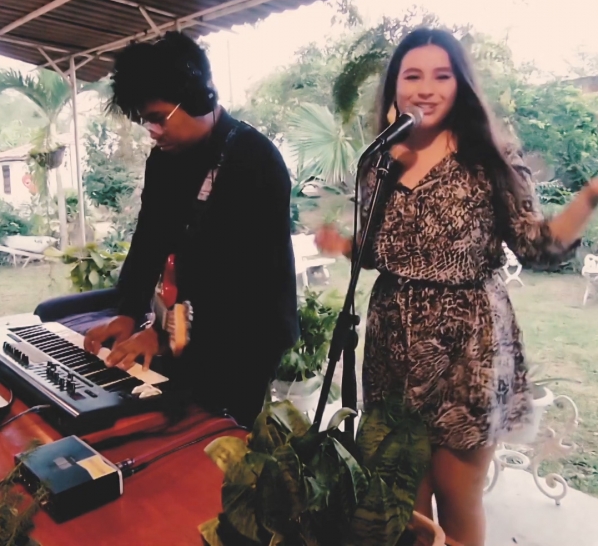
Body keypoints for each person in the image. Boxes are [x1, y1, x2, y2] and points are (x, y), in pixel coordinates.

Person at [315, 27, 598, 545]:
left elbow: (536, 246)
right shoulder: (379, 160)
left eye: (441, 76)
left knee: (457, 497)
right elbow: (381, 250)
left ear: (460, 84)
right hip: (391, 345)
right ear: (394, 87)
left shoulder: (489, 154)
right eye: (412, 76)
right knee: (404, 504)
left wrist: (589, 198)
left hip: (468, 347)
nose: (425, 88)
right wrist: (347, 245)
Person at [83, 31, 298, 428]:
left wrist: (164, 336)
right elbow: (149, 239)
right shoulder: (164, 160)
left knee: (215, 434)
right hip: (186, 326)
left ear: (199, 99)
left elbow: (236, 278)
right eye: (144, 121)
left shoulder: (254, 161)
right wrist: (129, 313)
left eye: (158, 118)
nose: (152, 130)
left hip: (246, 335)